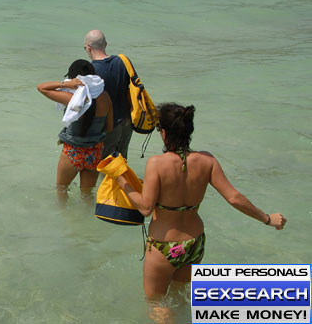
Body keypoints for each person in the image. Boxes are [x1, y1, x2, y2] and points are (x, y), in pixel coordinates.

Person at [114, 103, 286, 309]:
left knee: (156, 304)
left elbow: (145, 207)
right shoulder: (207, 160)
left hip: (164, 246)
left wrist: (121, 181)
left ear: (164, 132)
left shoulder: (156, 164)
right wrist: (267, 218)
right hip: (194, 243)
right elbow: (234, 197)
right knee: (179, 300)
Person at [37, 59, 113, 200]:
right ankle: (87, 220)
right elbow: (109, 127)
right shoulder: (105, 97)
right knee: (87, 196)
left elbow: (41, 87)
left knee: (62, 191)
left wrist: (65, 84)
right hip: (94, 152)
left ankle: (65, 219)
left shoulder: (72, 98)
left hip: (73, 152)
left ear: (75, 78)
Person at [84, 29, 134, 159]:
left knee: (107, 167)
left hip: (109, 126)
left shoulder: (91, 71)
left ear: (88, 48)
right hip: (127, 122)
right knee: (122, 164)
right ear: (105, 44)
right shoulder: (122, 61)